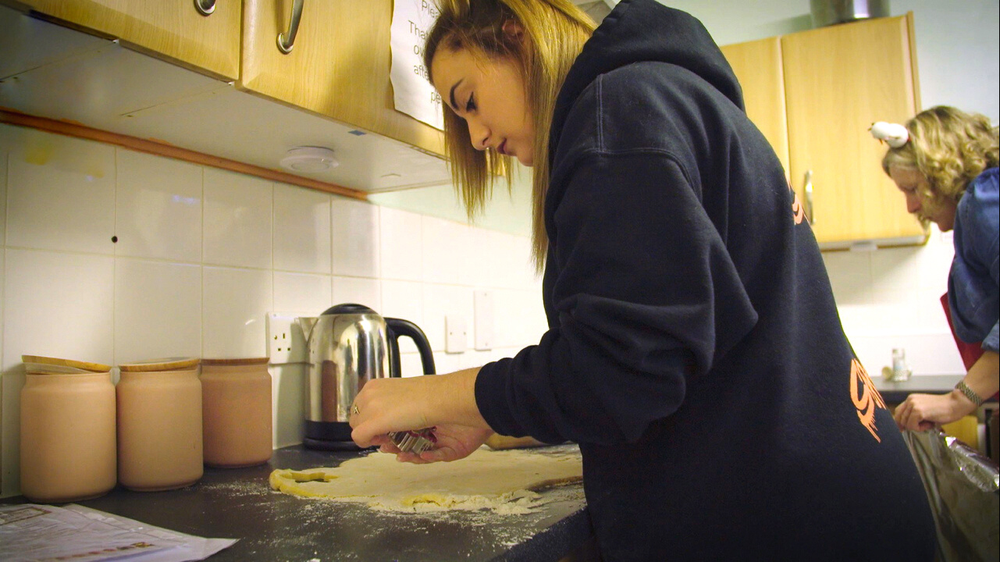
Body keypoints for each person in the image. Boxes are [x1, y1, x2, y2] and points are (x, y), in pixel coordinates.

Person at [350, 1, 937, 559]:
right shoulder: (658, 98)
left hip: (802, 529)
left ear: (515, 34)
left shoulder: (616, 116)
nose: (477, 137)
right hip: (832, 500)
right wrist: (483, 416)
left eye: (469, 100)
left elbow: (618, 375)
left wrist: (429, 392)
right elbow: (662, 367)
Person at [875, 106, 999, 433]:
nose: (911, 207)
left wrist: (956, 401)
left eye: (913, 190)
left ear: (943, 173)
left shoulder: (984, 202)